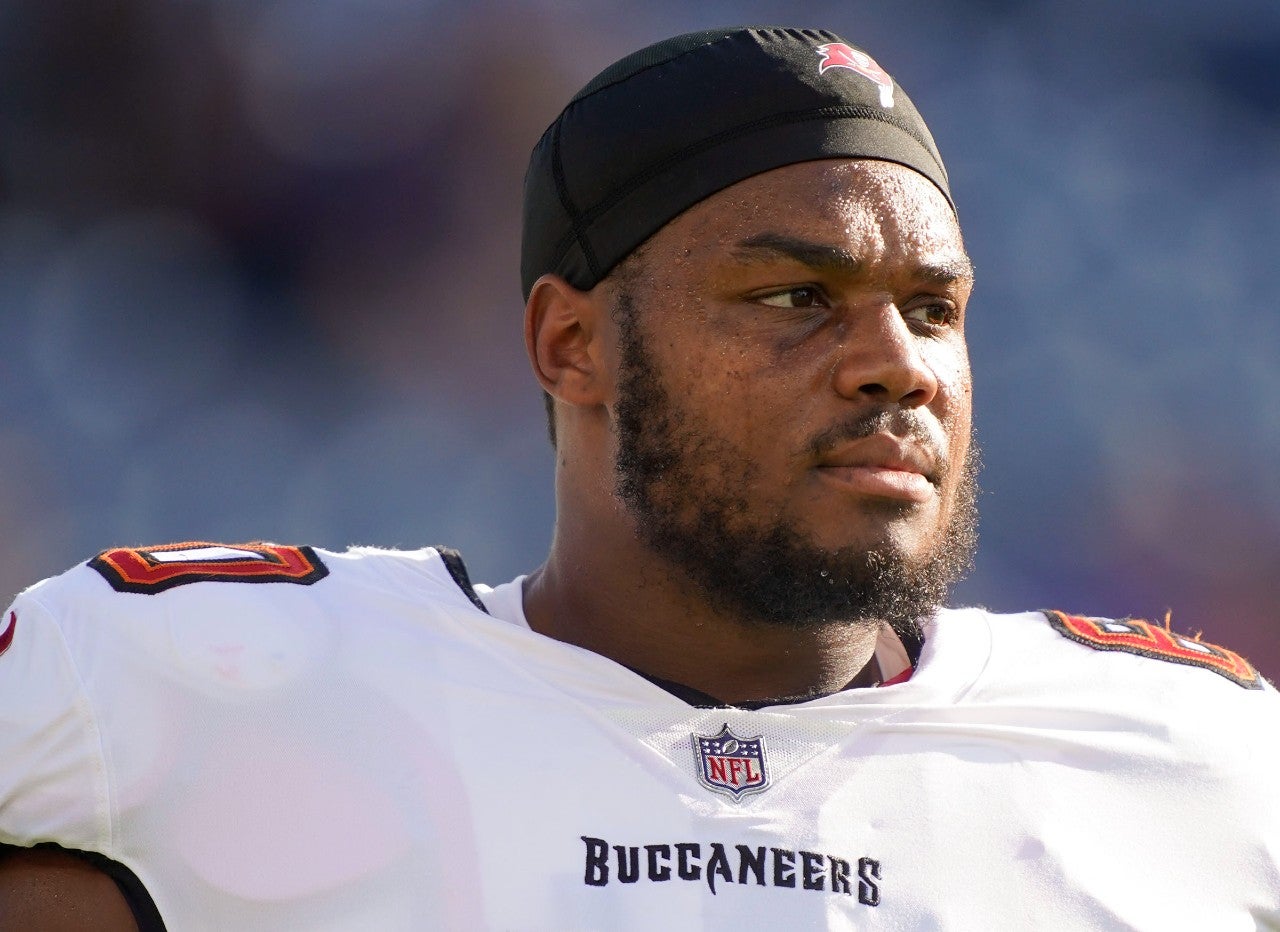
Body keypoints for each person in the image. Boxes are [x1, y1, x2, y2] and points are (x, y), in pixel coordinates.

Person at [1, 25, 1276, 931]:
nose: (897, 365)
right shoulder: (174, 687)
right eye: (794, 295)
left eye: (932, 309)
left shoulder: (1192, 759)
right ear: (572, 343)